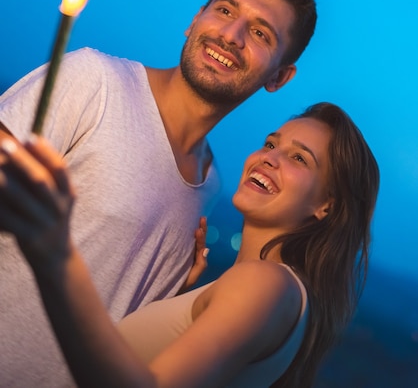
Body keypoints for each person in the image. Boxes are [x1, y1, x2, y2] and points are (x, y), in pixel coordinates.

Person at [0, 0, 317, 386]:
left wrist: (169, 301)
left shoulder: (212, 185)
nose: (231, 35)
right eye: (225, 10)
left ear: (279, 76)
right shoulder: (94, 81)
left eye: (260, 33)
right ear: (195, 18)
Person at [0, 102, 379, 388]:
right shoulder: (268, 289)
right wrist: (177, 302)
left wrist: (58, 258)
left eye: (298, 158)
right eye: (270, 143)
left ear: (325, 206)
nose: (269, 158)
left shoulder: (265, 283)